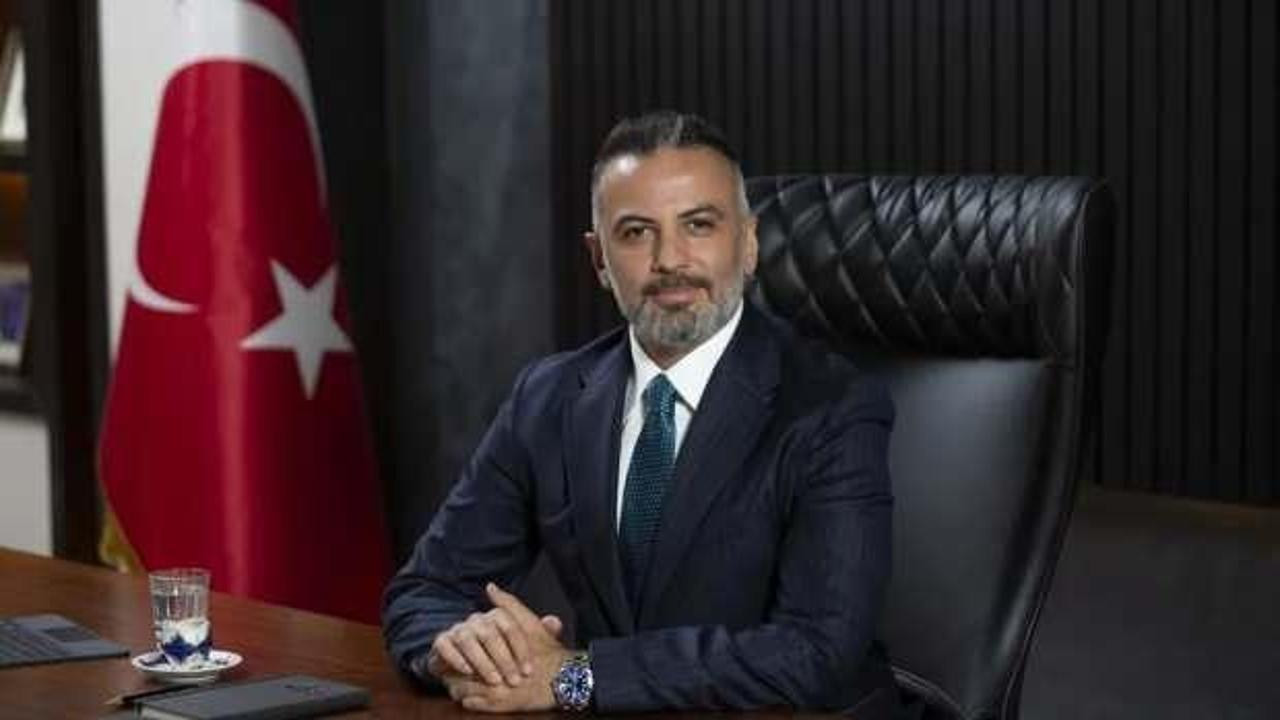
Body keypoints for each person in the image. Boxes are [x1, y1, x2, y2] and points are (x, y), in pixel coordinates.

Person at [382, 111, 898, 717]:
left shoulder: (832, 407)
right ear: (599, 259)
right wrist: (464, 650)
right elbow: (424, 593)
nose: (669, 259)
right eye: (635, 232)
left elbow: (816, 653)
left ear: (749, 242)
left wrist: (576, 678)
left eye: (698, 225)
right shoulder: (547, 397)